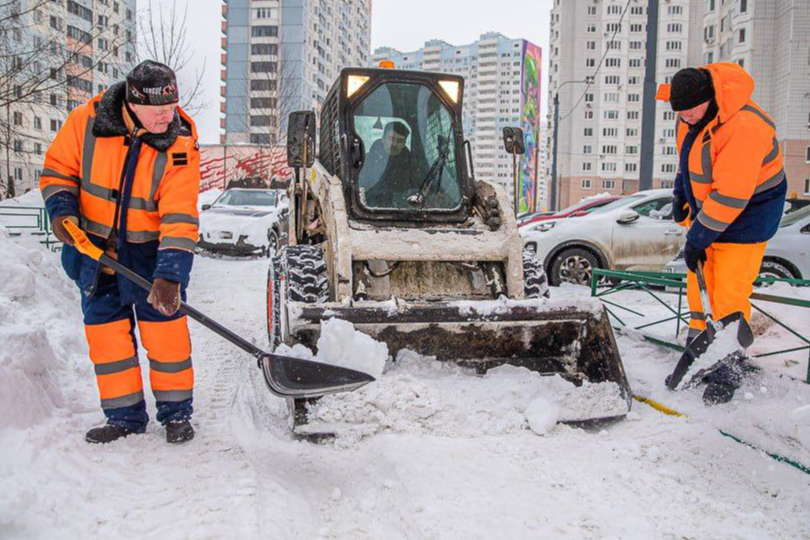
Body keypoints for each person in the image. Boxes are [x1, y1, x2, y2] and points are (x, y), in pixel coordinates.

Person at [40, 60, 201, 443]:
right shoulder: (87, 121)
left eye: (172, 107)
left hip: (148, 253)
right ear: (133, 103)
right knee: (107, 335)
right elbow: (57, 170)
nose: (168, 116)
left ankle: (176, 413)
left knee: (167, 334)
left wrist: (170, 275)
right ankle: (124, 416)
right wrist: (63, 212)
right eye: (159, 110)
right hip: (92, 251)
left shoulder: (180, 140)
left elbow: (180, 214)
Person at [656, 63, 787, 405]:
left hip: (748, 216)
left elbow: (731, 196)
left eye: (690, 111)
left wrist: (698, 237)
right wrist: (681, 194)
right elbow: (689, 159)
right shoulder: (692, 117)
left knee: (728, 291)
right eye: (679, 113)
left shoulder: (745, 127)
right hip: (712, 209)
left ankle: (729, 367)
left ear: (710, 99)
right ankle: (700, 350)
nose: (684, 118)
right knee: (700, 284)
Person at [363, 122, 421, 207]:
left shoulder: (411, 165)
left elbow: (418, 187)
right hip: (368, 209)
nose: (394, 144)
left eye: (400, 141)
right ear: (383, 139)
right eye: (391, 138)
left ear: (404, 144)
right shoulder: (366, 162)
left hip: (401, 211)